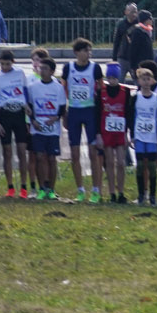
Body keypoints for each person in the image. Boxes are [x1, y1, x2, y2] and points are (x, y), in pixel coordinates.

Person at [0, 49, 31, 198]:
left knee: (22, 151)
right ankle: (10, 187)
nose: (4, 67)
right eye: (2, 64)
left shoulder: (19, 73)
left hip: (19, 114)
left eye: (7, 64)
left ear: (13, 62)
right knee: (7, 152)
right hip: (5, 114)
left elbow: (25, 91)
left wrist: (27, 107)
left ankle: (23, 187)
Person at [61, 38, 102, 203]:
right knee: (75, 154)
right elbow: (63, 89)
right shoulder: (68, 68)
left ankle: (96, 190)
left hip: (90, 112)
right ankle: (80, 190)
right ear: (77, 52)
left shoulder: (95, 68)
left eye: (89, 51)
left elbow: (101, 89)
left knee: (93, 153)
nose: (88, 53)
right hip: (74, 112)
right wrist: (64, 112)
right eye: (85, 50)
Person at [25, 55, 66, 201]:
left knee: (52, 158)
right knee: (39, 157)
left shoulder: (58, 87)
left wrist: (55, 118)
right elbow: (29, 107)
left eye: (45, 69)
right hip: (38, 128)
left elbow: (62, 107)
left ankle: (51, 190)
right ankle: (41, 188)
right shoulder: (33, 87)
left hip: (52, 129)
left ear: (52, 71)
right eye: (41, 68)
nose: (42, 71)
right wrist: (33, 121)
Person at [128, 65, 157, 206]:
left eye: (148, 79)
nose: (146, 82)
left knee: (152, 165)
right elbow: (131, 118)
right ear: (139, 81)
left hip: (151, 136)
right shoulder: (135, 98)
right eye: (143, 79)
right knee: (140, 165)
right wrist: (132, 135)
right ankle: (141, 194)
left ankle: (153, 196)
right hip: (139, 135)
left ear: (152, 81)